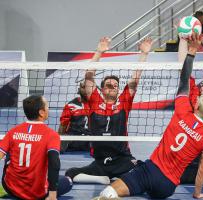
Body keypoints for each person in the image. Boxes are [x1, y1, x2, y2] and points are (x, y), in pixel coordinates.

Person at [95, 33, 203, 200]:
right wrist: (197, 193)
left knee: (108, 193)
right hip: (168, 186)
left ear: (196, 104)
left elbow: (184, 78)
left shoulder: (183, 111)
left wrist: (192, 52)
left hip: (151, 170)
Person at [65, 37, 153, 184]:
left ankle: (116, 177)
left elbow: (135, 79)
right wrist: (99, 52)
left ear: (119, 90)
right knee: (70, 173)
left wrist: (144, 54)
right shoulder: (94, 101)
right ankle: (102, 179)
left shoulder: (124, 102)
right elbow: (88, 76)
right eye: (108, 85)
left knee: (146, 171)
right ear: (102, 89)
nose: (112, 86)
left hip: (122, 160)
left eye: (115, 85)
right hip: (100, 162)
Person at [0, 95, 72, 200]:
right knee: (68, 181)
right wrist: (52, 194)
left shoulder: (12, 132)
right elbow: (54, 163)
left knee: (11, 149)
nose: (49, 109)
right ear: (41, 112)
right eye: (47, 106)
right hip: (37, 193)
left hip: (10, 188)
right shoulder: (51, 135)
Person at [58, 80, 90, 152]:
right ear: (79, 90)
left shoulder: (98, 105)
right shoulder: (71, 105)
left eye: (89, 87)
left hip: (91, 139)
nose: (86, 89)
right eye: (83, 87)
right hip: (73, 139)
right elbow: (63, 125)